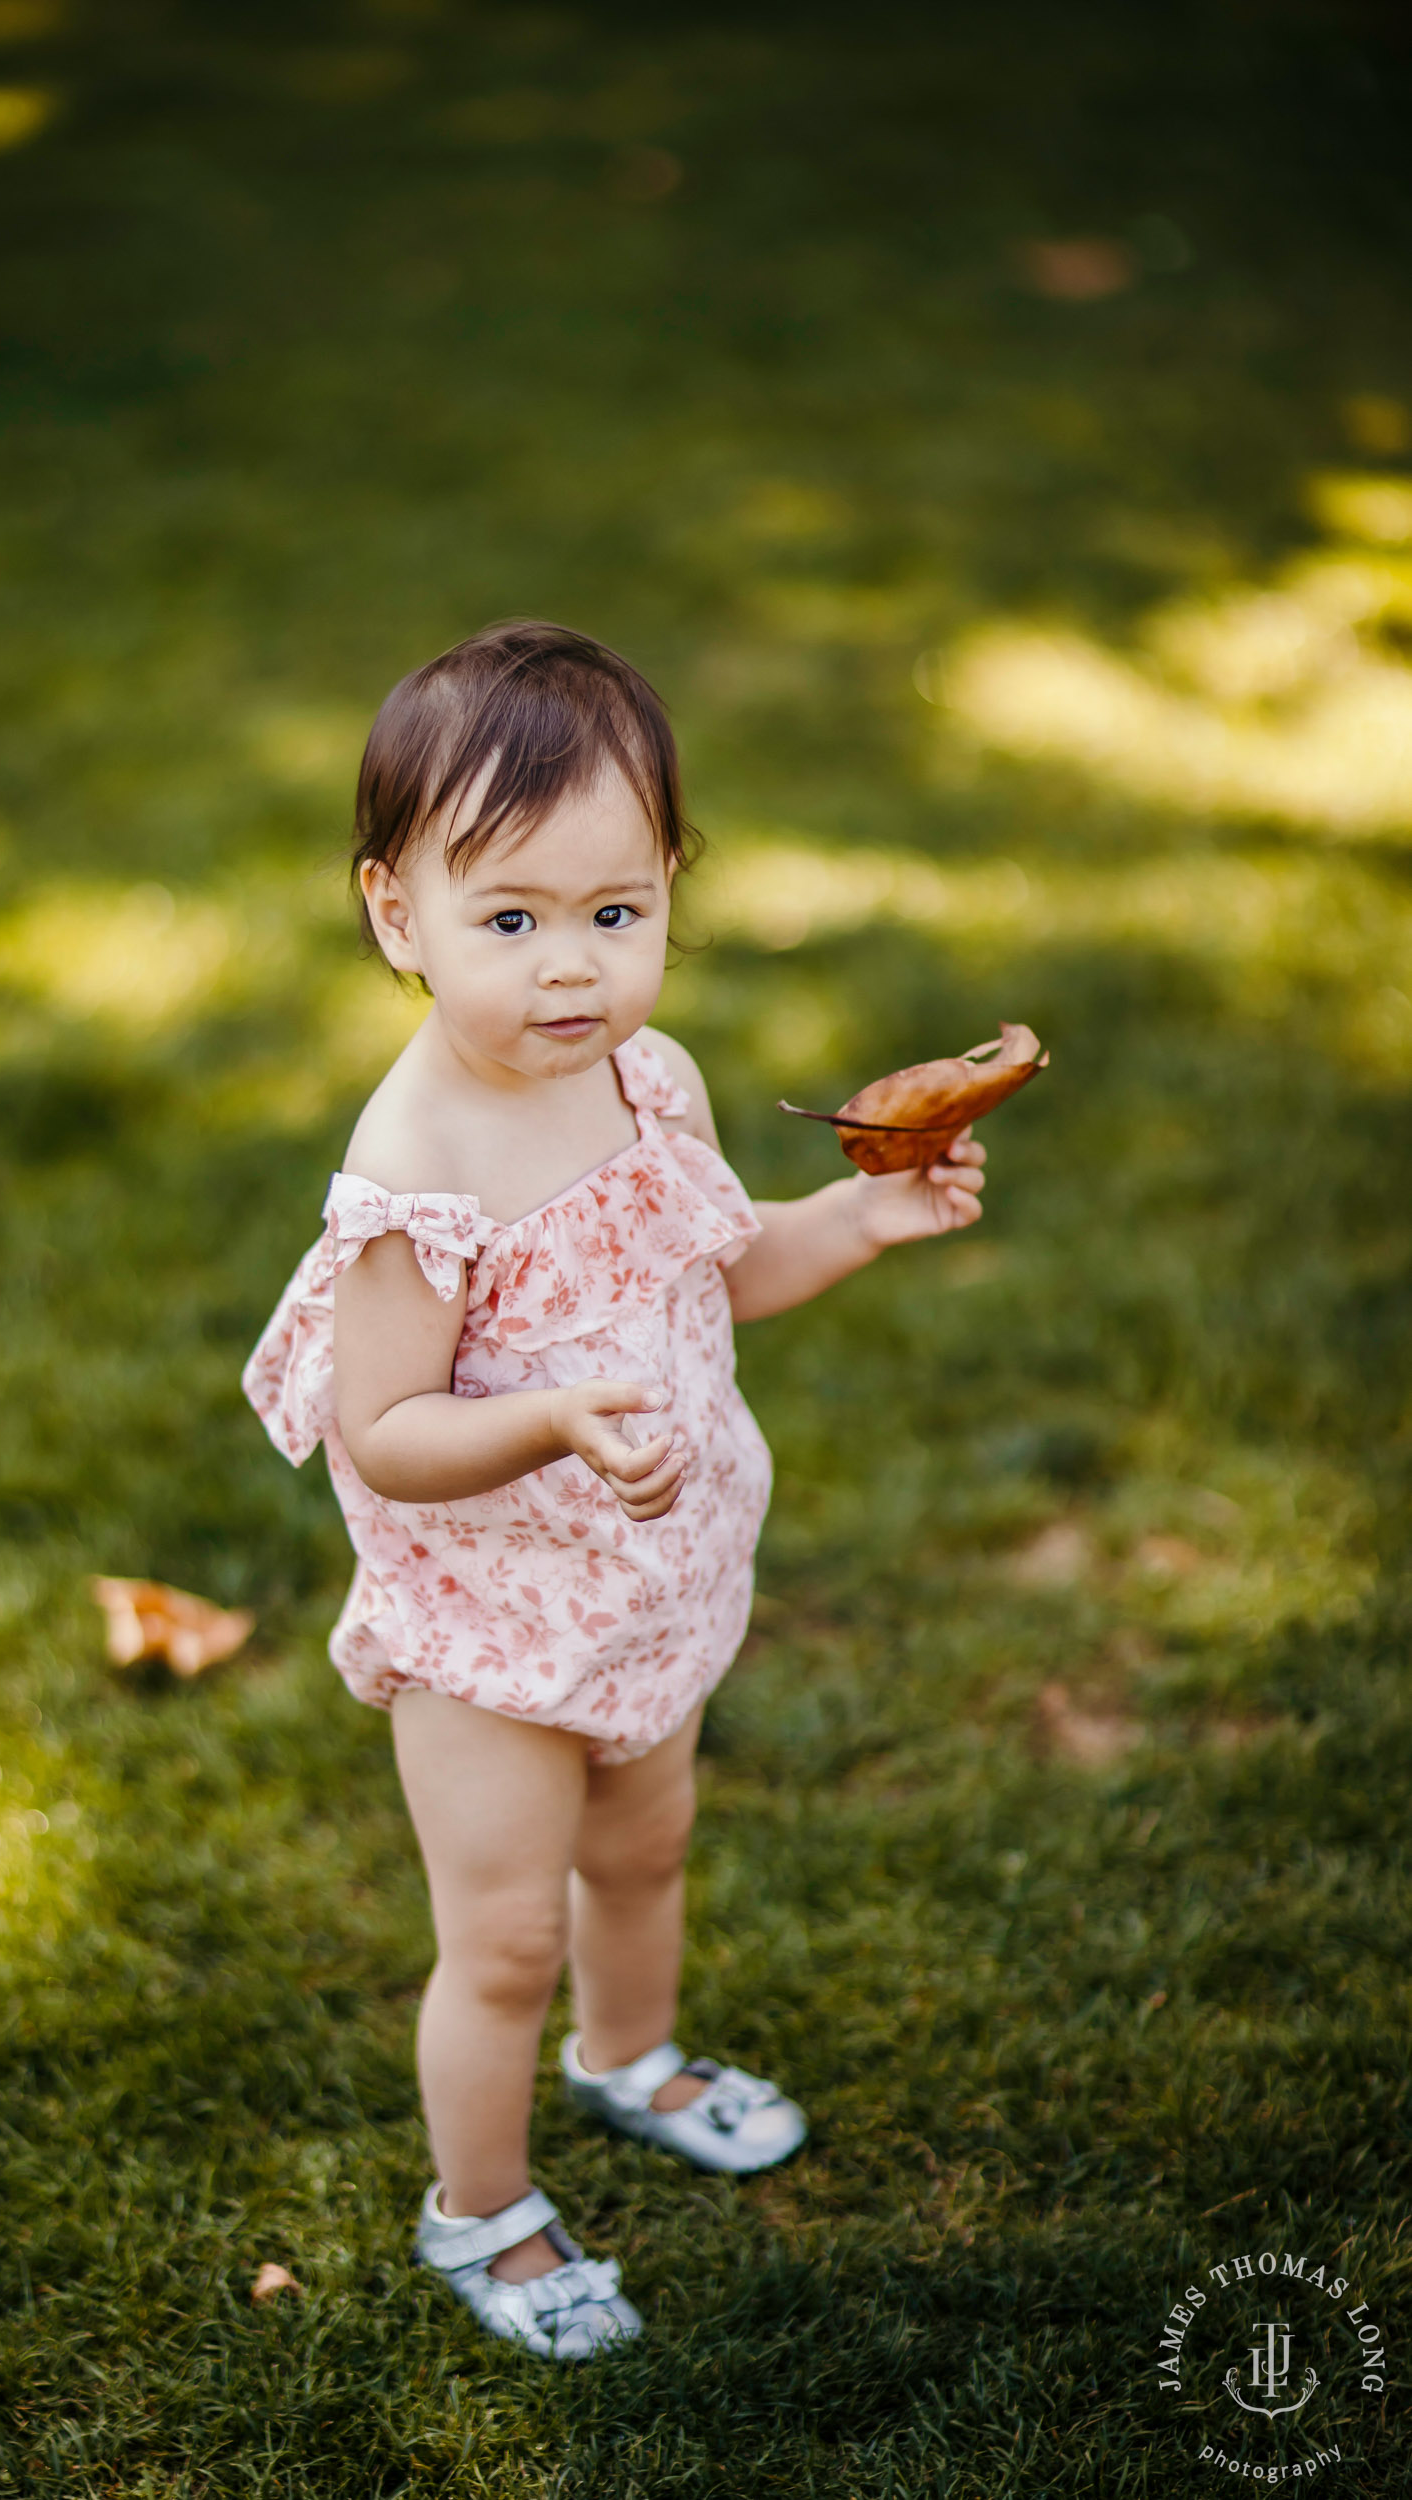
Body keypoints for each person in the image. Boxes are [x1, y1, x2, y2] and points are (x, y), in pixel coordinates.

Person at [244, 621, 987, 2360]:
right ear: (394, 915)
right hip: (494, 1622)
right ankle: (481, 2213)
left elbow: (716, 1273)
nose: (570, 967)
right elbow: (390, 1435)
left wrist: (866, 1216)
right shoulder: (412, 1176)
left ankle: (630, 2053)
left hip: (652, 1575)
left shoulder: (651, 1082)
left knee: (648, 1850)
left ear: (668, 893)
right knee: (503, 1932)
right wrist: (556, 1420)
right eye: (508, 920)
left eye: (617, 911)